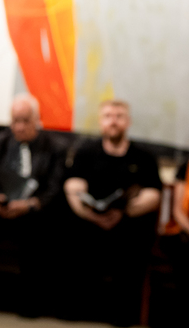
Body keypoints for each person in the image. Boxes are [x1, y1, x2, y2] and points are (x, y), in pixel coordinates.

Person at [64, 99, 161, 327]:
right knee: (69, 234)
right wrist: (91, 215)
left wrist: (124, 212)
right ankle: (75, 307)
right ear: (101, 121)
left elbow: (154, 195)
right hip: (90, 222)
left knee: (133, 246)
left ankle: (123, 314)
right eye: (108, 116)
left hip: (128, 223)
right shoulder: (86, 152)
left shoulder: (144, 157)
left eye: (119, 116)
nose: (113, 121)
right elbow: (73, 186)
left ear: (128, 121)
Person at [0, 94, 65, 316]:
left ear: (37, 120)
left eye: (25, 121)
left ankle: (29, 301)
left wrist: (31, 204)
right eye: (15, 121)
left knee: (39, 228)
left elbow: (54, 187)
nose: (20, 127)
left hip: (32, 211)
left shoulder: (55, 147)